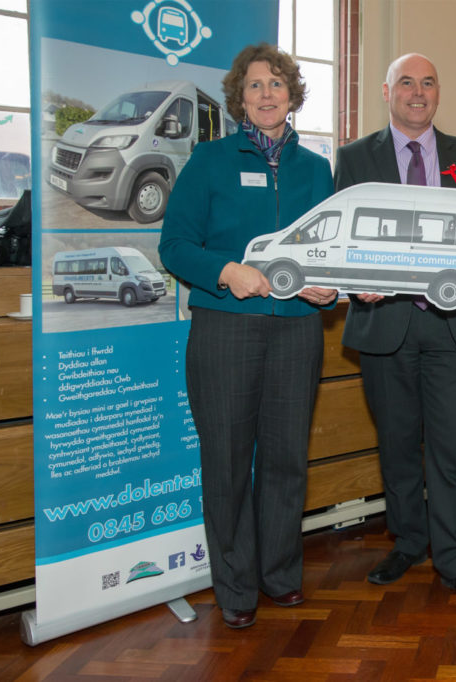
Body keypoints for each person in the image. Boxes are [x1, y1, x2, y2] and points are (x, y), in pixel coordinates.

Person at [159, 43, 337, 629]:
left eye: (277, 84)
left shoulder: (316, 168)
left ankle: (280, 575)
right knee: (229, 461)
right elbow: (175, 246)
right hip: (225, 329)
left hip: (297, 331)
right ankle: (234, 587)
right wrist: (227, 271)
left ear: (292, 94)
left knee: (287, 458)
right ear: (241, 96)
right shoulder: (209, 160)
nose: (266, 94)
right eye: (256, 85)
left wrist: (327, 287)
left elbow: (328, 253)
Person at [333, 53, 456, 610]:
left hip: (454, 328)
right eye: (407, 82)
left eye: (429, 82)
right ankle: (408, 541)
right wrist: (356, 281)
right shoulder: (355, 158)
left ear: (438, 93)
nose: (418, 92)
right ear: (387, 91)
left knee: (452, 448)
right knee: (398, 444)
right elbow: (343, 239)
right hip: (385, 326)